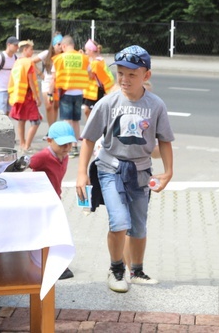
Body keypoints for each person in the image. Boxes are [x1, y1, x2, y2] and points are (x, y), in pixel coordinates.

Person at [75, 45, 174, 293]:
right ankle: (116, 269)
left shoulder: (156, 105)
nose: (124, 79)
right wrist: (81, 172)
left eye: (132, 74)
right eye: (121, 73)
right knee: (119, 221)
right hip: (110, 169)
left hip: (141, 172)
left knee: (138, 226)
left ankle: (136, 270)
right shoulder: (107, 103)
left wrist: (169, 171)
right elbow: (88, 139)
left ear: (146, 76)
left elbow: (165, 140)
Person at [28, 120, 77, 280]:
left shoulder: (65, 156)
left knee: (55, 232)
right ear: (49, 140)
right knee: (48, 233)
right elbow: (28, 164)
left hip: (55, 200)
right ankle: (46, 264)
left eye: (69, 144)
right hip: (40, 202)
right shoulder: (42, 157)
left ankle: (54, 263)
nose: (67, 148)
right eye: (62, 144)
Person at [51, 35, 91, 157]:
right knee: (76, 121)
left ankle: (67, 144)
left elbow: (54, 77)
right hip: (79, 93)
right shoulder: (83, 58)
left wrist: (50, 93)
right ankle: (75, 146)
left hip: (66, 92)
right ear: (73, 45)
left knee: (67, 120)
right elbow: (89, 72)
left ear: (63, 46)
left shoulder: (60, 58)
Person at [9, 40, 42, 153]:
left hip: (19, 95)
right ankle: (27, 145)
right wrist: (37, 97)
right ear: (25, 50)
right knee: (36, 121)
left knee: (21, 120)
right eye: (31, 49)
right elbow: (31, 81)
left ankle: (22, 143)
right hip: (28, 96)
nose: (33, 52)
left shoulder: (17, 62)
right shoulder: (28, 62)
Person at [35, 33, 63, 127]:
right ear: (54, 45)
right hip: (47, 82)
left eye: (62, 44)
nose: (60, 46)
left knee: (55, 106)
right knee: (48, 106)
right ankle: (50, 128)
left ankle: (53, 128)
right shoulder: (46, 54)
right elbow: (31, 62)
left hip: (58, 83)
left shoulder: (64, 55)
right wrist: (40, 73)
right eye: (58, 44)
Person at [83, 39, 115, 119]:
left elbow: (91, 76)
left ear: (90, 50)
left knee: (90, 112)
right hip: (96, 91)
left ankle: (92, 129)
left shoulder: (96, 63)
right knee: (89, 112)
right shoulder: (99, 60)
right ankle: (91, 129)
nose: (85, 52)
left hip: (96, 92)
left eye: (86, 50)